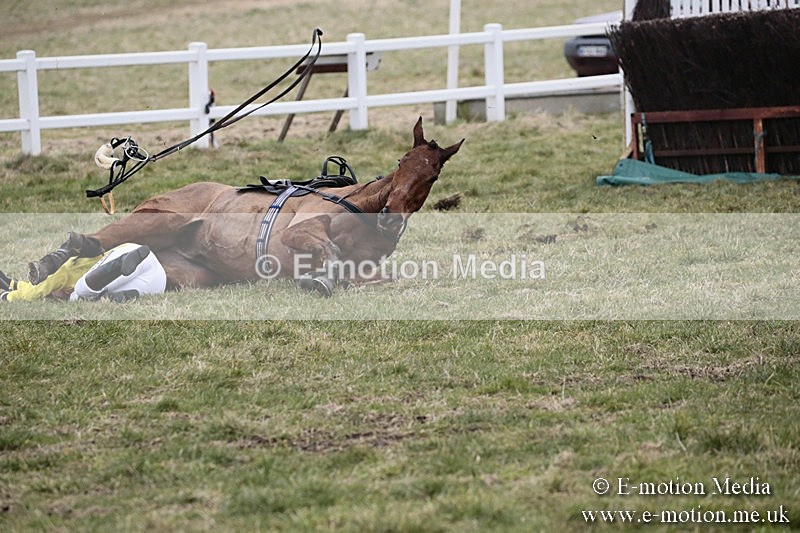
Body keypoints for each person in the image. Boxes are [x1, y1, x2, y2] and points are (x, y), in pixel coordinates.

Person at [0, 243, 165, 303]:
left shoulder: (62, 272)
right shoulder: (80, 263)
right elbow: (32, 288)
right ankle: (111, 299)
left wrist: (7, 297)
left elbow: (34, 291)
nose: (53, 296)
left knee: (79, 294)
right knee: (88, 296)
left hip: (130, 256)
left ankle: (118, 265)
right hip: (157, 282)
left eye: (51, 294)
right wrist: (14, 284)